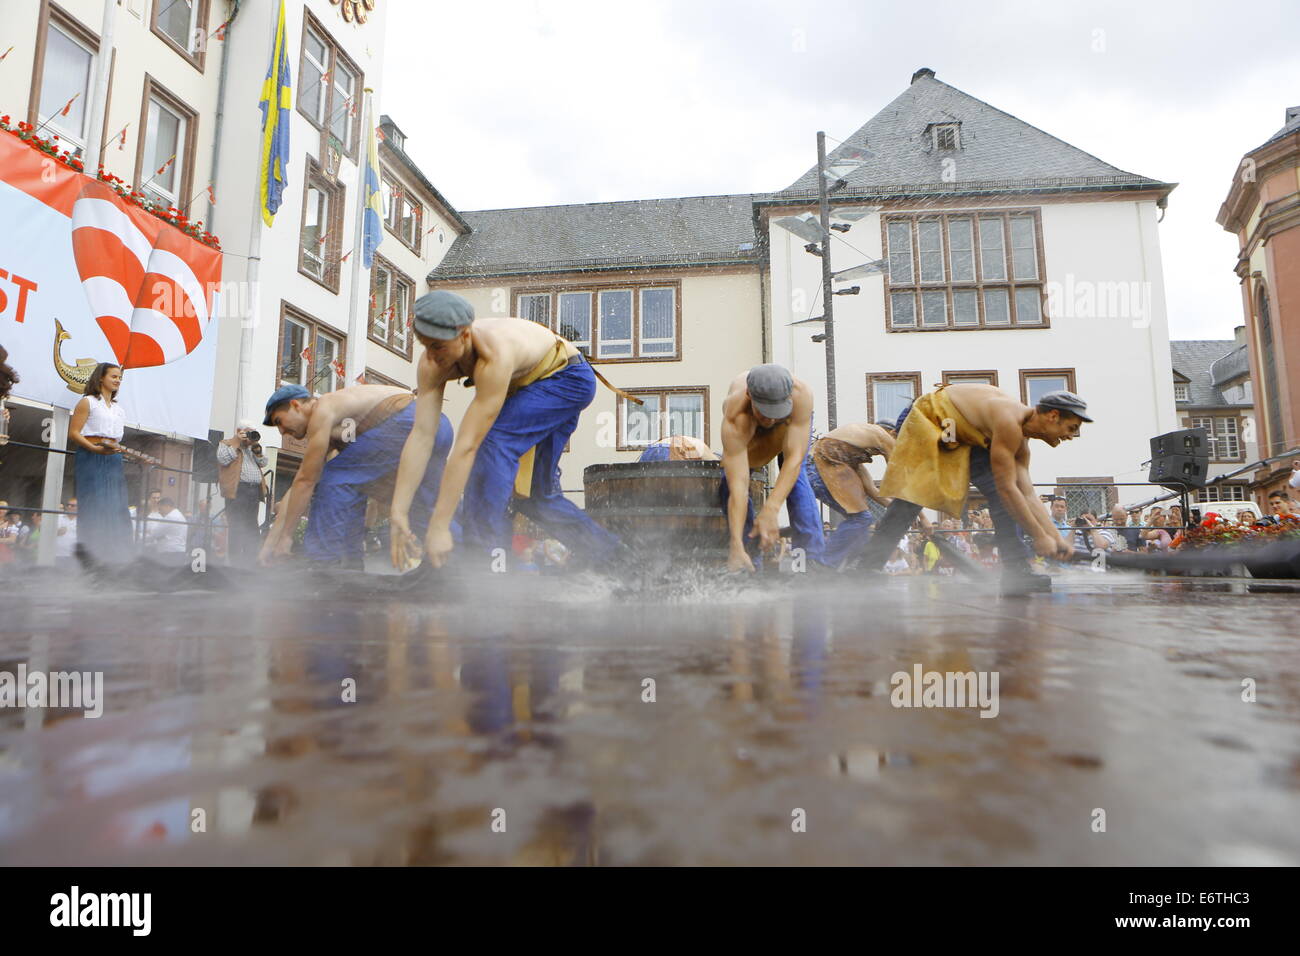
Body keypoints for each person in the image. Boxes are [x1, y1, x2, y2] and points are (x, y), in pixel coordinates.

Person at [389, 290, 621, 570]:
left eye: (438, 346)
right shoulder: (430, 365)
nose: (432, 355)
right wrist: (398, 511)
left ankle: (481, 562)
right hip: (530, 386)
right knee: (537, 497)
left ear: (464, 335)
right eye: (425, 345)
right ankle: (619, 563)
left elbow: (467, 447)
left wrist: (440, 527)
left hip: (568, 379)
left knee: (493, 446)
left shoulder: (494, 356)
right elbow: (422, 437)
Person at [858, 385, 1085, 593]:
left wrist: (1055, 538)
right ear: (1053, 416)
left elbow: (1026, 493)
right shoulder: (1008, 422)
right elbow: (1008, 489)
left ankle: (1016, 571)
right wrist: (1039, 537)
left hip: (966, 431)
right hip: (930, 415)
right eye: (1071, 428)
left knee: (1001, 494)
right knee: (914, 495)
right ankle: (866, 569)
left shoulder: (1019, 441)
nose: (1071, 436)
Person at [260, 381, 454, 568]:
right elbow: (298, 488)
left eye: (279, 421)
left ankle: (325, 562)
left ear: (295, 405)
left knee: (336, 477)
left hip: (409, 421)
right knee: (420, 501)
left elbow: (307, 480)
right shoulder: (339, 422)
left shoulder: (323, 408)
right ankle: (454, 566)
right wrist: (271, 543)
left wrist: (286, 538)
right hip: (438, 424)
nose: (282, 431)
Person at [719, 364, 824, 572]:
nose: (771, 418)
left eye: (777, 411)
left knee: (797, 482)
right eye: (765, 412)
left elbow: (793, 460)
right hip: (749, 430)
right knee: (727, 488)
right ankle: (747, 560)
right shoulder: (735, 415)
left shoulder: (801, 395)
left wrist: (771, 508)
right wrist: (735, 543)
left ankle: (808, 563)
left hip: (790, 426)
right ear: (749, 395)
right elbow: (739, 486)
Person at [803, 421, 895, 569]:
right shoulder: (883, 434)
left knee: (862, 523)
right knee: (861, 518)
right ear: (892, 432)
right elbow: (899, 475)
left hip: (810, 470)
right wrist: (919, 516)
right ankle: (824, 564)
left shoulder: (850, 453)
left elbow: (871, 490)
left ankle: (853, 567)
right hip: (818, 467)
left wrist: (894, 508)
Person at [67, 363, 133, 562]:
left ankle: (116, 555)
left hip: (113, 458)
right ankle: (91, 555)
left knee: (116, 505)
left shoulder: (119, 409)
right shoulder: (88, 402)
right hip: (91, 454)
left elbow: (117, 439)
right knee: (94, 504)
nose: (117, 380)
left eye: (119, 377)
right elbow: (74, 433)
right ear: (101, 378)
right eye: (113, 376)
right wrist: (93, 448)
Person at [217, 420, 269, 567]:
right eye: (248, 432)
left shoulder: (252, 448)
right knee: (236, 525)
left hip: (254, 491)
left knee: (252, 525)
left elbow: (264, 462)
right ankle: (235, 562)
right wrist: (236, 442)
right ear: (239, 431)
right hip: (237, 490)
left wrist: (256, 448)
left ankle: (250, 561)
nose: (250, 436)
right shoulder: (226, 444)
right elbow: (223, 459)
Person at [145, 496, 189, 564]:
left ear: (167, 506)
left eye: (160, 509)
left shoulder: (170, 517)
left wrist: (140, 541)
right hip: (178, 552)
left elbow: (155, 533)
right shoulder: (179, 515)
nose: (159, 512)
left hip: (169, 553)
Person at [638, 434, 716, 462]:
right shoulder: (707, 452)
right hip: (673, 450)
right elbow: (719, 468)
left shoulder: (697, 443)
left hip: (651, 449)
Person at [55, 499, 78, 570]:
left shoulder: (83, 519)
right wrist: (57, 532)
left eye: (72, 505)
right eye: (68, 505)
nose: (69, 507)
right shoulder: (58, 517)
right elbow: (45, 531)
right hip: (58, 555)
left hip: (74, 557)